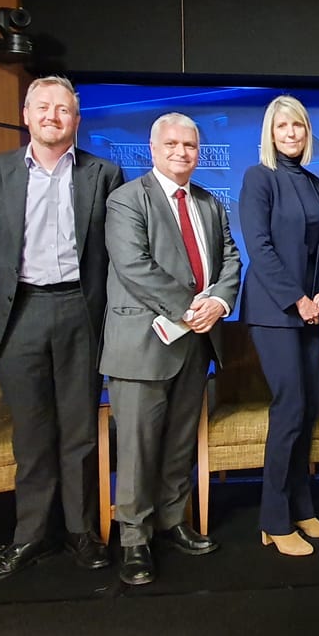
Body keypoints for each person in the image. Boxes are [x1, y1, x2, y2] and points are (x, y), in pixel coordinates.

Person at [0, 76, 124, 584]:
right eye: (44, 108)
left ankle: (81, 531)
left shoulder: (105, 173)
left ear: (77, 120)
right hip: (22, 313)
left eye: (64, 109)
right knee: (32, 433)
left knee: (79, 429)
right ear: (26, 115)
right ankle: (31, 534)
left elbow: (114, 249)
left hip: (82, 310)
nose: (54, 116)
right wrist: (19, 286)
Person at [101, 113, 241, 585]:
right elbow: (133, 265)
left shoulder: (209, 202)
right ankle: (134, 541)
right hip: (143, 344)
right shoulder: (126, 199)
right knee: (137, 447)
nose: (182, 152)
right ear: (153, 147)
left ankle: (172, 520)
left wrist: (218, 302)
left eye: (190, 145)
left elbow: (230, 258)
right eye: (172, 144)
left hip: (196, 343)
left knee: (180, 441)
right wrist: (190, 307)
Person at [240, 95, 319, 557]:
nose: (292, 134)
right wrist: (296, 299)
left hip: (309, 311)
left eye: (298, 126)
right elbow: (259, 249)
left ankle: (302, 510)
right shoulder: (259, 178)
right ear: (271, 132)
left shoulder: (314, 183)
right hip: (274, 312)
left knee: (308, 411)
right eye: (283, 127)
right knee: (290, 408)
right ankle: (273, 520)